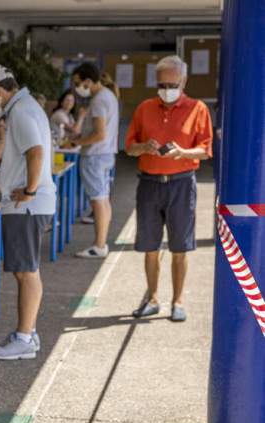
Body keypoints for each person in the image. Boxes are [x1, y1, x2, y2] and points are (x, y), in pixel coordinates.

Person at [0, 65, 55, 361]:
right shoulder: (27, 107)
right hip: (29, 203)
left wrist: (29, 190)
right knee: (25, 271)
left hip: (26, 205)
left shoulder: (19, 112)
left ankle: (24, 337)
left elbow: (36, 152)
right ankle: (25, 333)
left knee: (26, 271)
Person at [124, 55, 212, 322]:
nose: (166, 90)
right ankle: (152, 298)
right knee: (150, 246)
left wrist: (183, 153)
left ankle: (178, 301)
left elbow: (206, 150)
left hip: (182, 183)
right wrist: (143, 147)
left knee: (180, 247)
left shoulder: (198, 109)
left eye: (172, 84)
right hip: (150, 183)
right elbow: (129, 147)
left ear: (183, 81)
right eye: (161, 84)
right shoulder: (144, 108)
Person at [69, 61, 120, 259]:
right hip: (106, 155)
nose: (76, 87)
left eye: (77, 82)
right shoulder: (108, 96)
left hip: (95, 156)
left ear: (88, 81)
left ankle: (99, 244)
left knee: (97, 201)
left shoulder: (99, 100)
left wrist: (78, 142)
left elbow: (99, 134)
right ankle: (101, 243)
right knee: (103, 199)